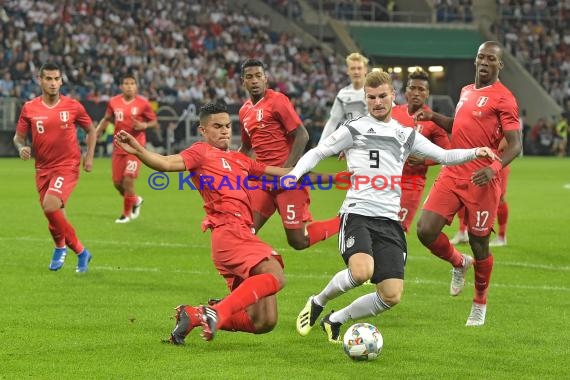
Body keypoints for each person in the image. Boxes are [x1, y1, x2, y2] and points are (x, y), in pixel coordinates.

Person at [290, 70, 498, 342]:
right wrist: (294, 175)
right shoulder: (354, 129)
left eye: (382, 96)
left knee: (391, 295)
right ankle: (318, 301)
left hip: (389, 221)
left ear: (392, 96)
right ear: (365, 99)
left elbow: (445, 155)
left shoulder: (405, 135)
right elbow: (318, 152)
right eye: (371, 97)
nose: (377, 102)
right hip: (358, 214)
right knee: (361, 271)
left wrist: (475, 151)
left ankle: (335, 319)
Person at [114, 103, 291, 344]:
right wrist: (138, 150)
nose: (225, 131)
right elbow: (166, 163)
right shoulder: (200, 152)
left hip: (244, 235)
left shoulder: (240, 160)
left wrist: (339, 176)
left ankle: (194, 314)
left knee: (264, 322)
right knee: (276, 275)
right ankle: (216, 312)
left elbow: (286, 173)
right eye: (217, 126)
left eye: (228, 126)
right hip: (229, 234)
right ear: (203, 130)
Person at [414, 41, 522, 326]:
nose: (485, 62)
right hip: (453, 171)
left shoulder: (504, 98)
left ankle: (479, 302)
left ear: (500, 65)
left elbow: (516, 145)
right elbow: (459, 126)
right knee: (425, 230)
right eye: (481, 57)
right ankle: (459, 262)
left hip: (481, 179)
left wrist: (493, 167)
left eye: (491, 59)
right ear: (475, 60)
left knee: (478, 242)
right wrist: (434, 117)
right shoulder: (466, 90)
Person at [238, 59, 339, 250]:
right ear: (243, 81)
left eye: (258, 76)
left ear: (266, 79)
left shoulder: (277, 100)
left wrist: (288, 172)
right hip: (264, 182)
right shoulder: (244, 111)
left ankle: (343, 222)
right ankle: (254, 272)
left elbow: (302, 135)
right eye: (249, 77)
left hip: (287, 182)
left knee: (298, 242)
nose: (254, 80)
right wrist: (226, 163)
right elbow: (245, 147)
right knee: (246, 231)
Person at [13, 62, 95, 273]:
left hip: (67, 166)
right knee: (54, 215)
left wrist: (89, 157)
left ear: (61, 81)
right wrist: (21, 148)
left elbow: (91, 130)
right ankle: (60, 246)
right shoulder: (29, 107)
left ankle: (80, 251)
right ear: (40, 80)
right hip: (42, 168)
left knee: (50, 205)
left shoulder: (73, 106)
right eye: (48, 79)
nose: (53, 83)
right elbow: (18, 138)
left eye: (56, 79)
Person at [391, 69, 451, 233]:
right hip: (386, 180)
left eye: (421, 89)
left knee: (397, 231)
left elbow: (446, 154)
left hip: (412, 183)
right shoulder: (393, 113)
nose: (416, 93)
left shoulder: (433, 121)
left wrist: (424, 161)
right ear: (406, 91)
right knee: (378, 228)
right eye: (412, 88)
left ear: (427, 93)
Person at [95, 73, 158, 223]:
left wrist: (144, 125)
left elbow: (154, 121)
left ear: (136, 86)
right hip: (119, 145)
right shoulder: (114, 102)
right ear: (121, 86)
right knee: (118, 183)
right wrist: (96, 132)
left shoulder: (143, 103)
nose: (129, 86)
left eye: (132, 83)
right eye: (126, 83)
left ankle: (126, 214)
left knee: (128, 180)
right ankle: (135, 200)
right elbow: (108, 118)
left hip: (136, 146)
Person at [318, 52, 369, 143]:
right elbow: (333, 121)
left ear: (365, 70)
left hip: (375, 143)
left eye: (359, 68)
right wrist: (320, 146)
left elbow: (394, 113)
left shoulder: (376, 91)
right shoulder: (343, 94)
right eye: (353, 68)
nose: (356, 72)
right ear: (348, 71)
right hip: (353, 145)